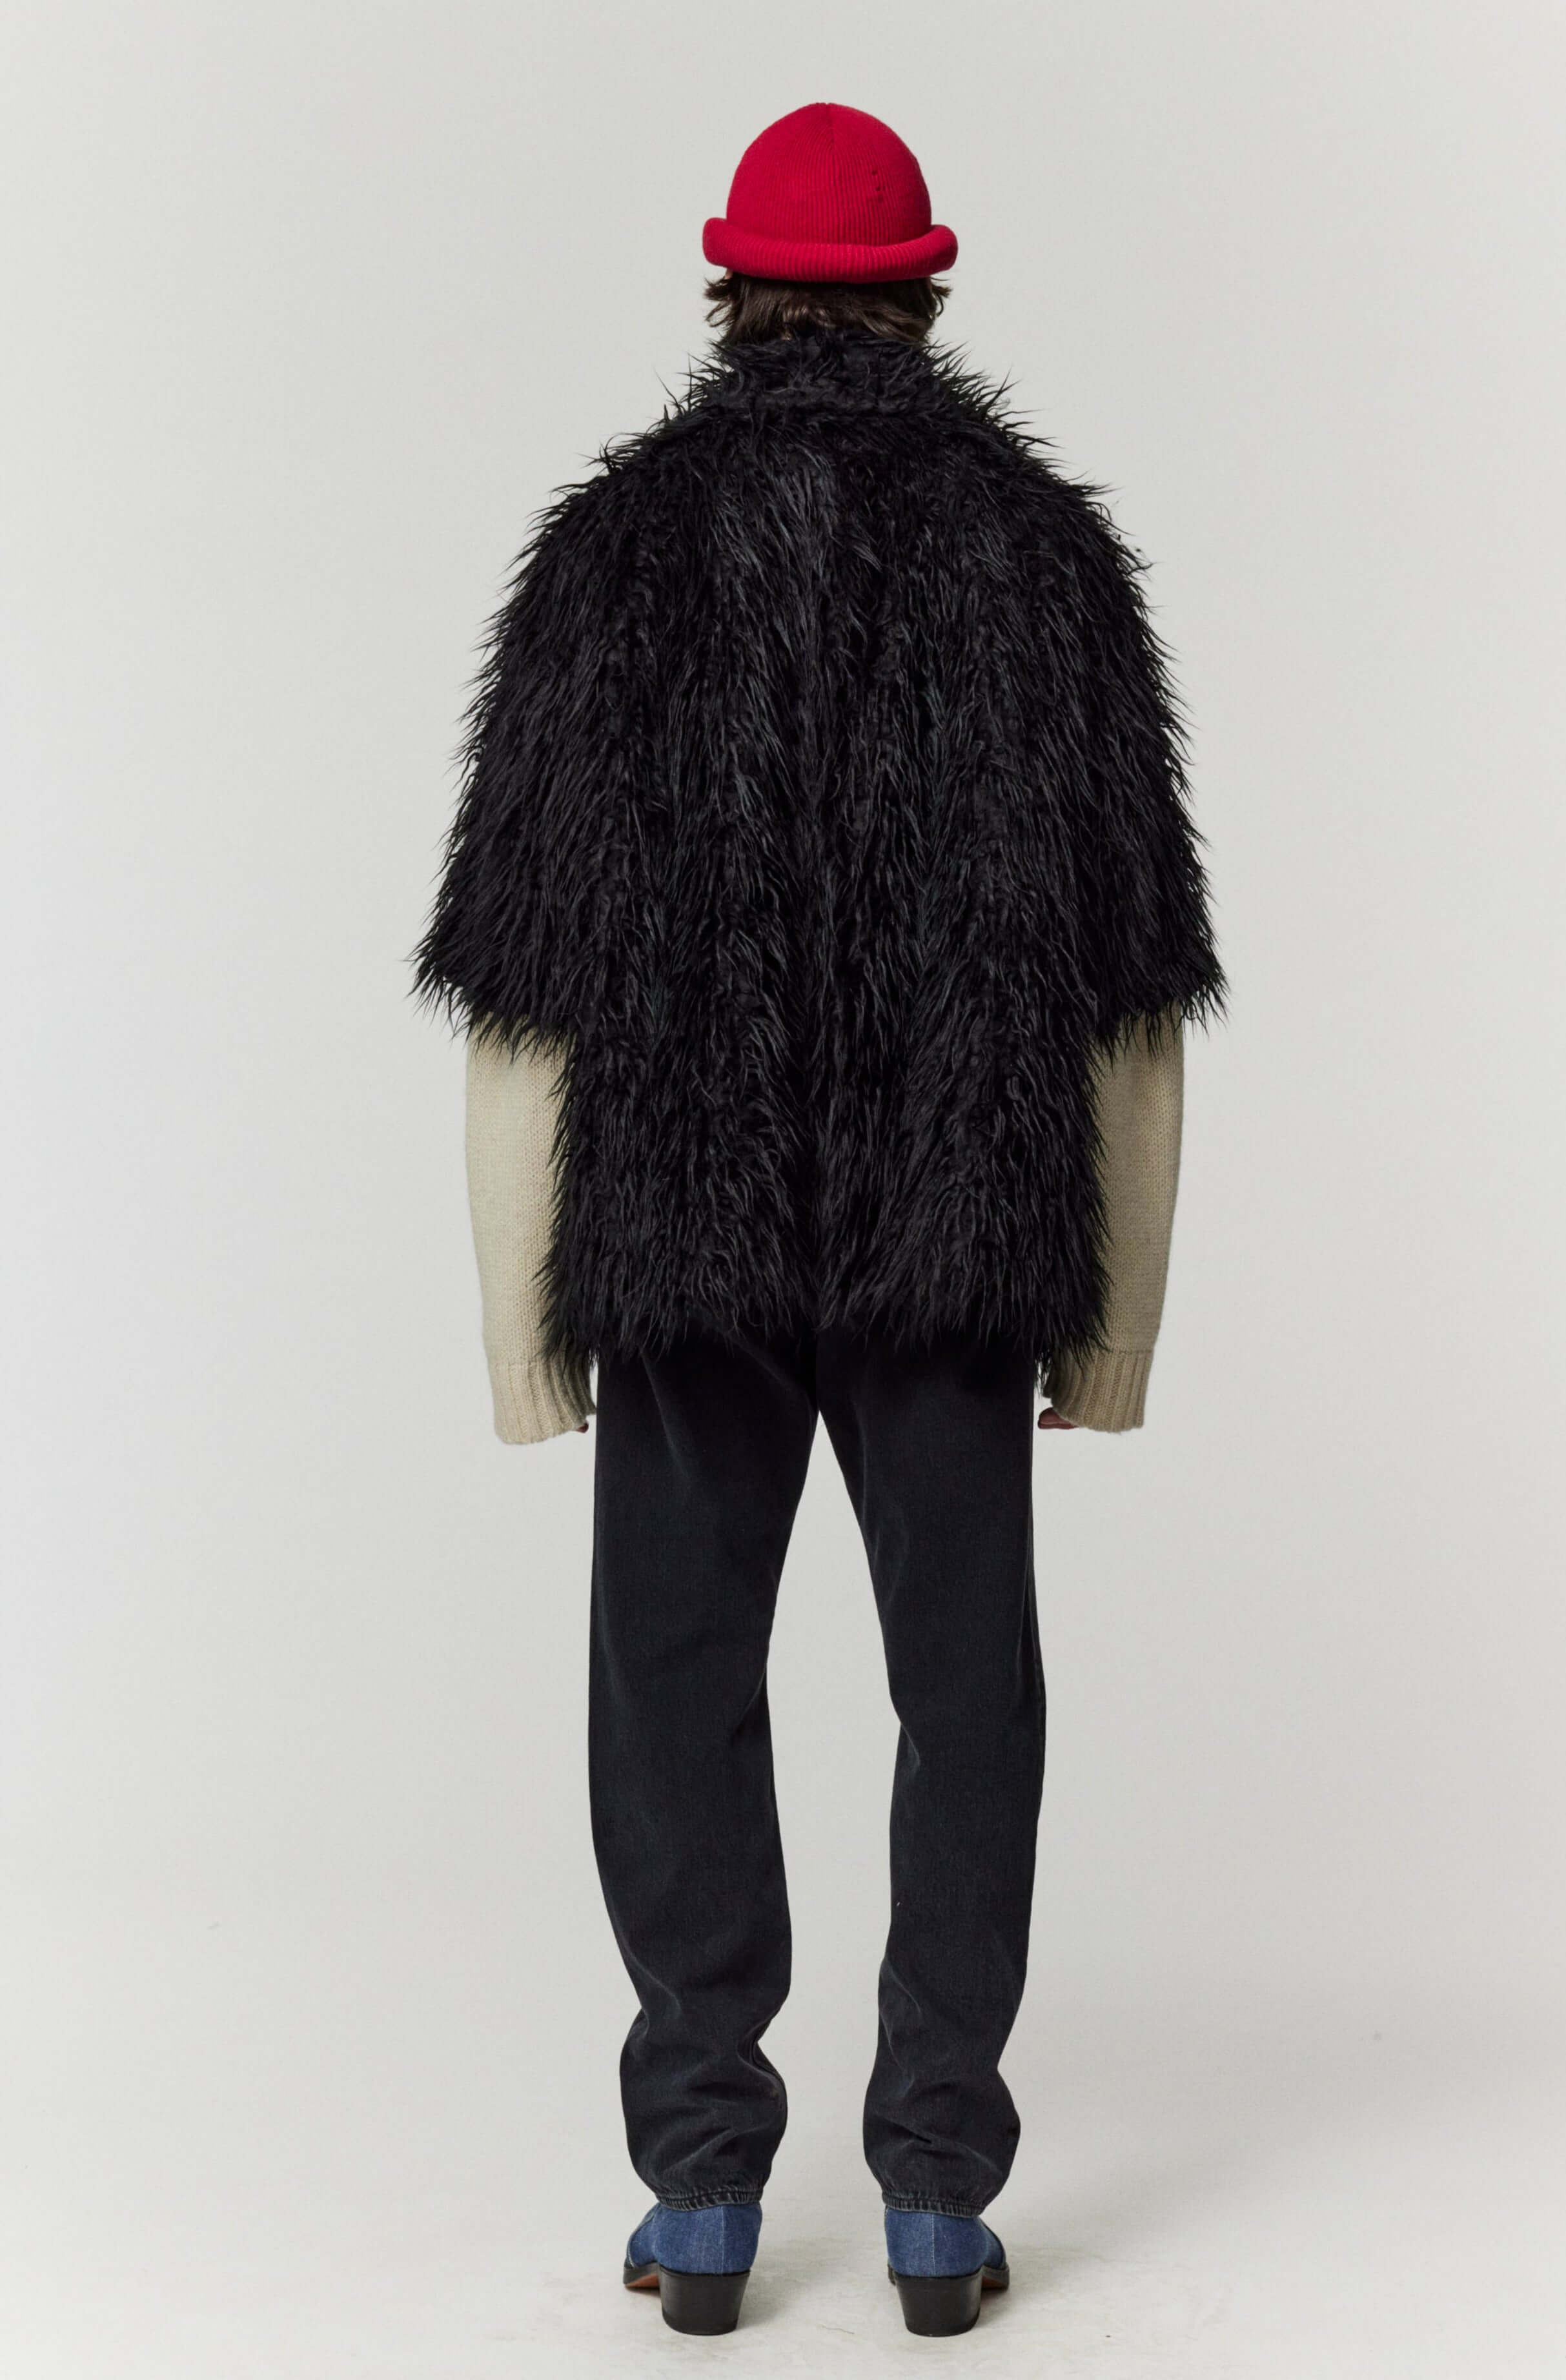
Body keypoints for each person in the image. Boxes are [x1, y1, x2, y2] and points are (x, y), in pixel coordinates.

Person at [415, 100, 1222, 2338]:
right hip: (959, 1226)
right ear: (923, 296)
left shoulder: (614, 557)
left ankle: (701, 2185)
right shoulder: (1045, 560)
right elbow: (1133, 995)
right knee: (966, 1688)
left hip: (677, 1233)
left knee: (670, 1682)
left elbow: (526, 989)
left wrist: (522, 1334)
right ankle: (938, 2190)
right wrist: (1115, 1336)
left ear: (729, 295)